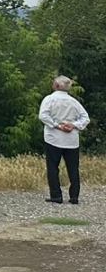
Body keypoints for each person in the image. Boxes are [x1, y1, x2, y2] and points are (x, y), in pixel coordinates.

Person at [39, 76, 90, 204]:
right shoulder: (74, 102)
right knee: (73, 168)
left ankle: (56, 195)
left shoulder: (49, 99)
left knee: (53, 167)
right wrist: (74, 125)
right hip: (71, 140)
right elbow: (85, 118)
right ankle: (74, 196)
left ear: (56, 85)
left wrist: (56, 125)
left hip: (53, 138)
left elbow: (43, 115)